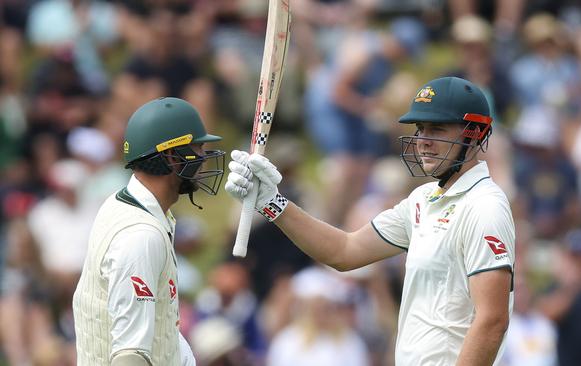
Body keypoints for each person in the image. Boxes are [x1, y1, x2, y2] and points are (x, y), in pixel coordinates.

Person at [226, 76, 515, 365]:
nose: (423, 141)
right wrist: (272, 203)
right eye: (421, 129)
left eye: (436, 129)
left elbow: (492, 320)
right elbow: (344, 251)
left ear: (475, 133)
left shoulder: (484, 207)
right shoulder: (423, 200)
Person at [72, 97, 226, 365]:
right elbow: (129, 356)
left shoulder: (128, 206)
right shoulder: (141, 236)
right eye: (197, 149)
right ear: (170, 155)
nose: (203, 159)